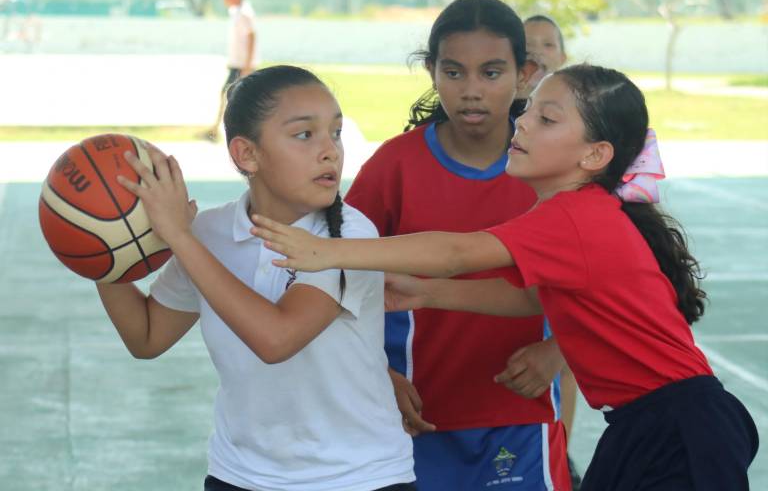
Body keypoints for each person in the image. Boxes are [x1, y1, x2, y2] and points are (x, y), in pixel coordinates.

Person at [251, 63, 759, 490]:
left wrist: (326, 251)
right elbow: (536, 300)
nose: (523, 123)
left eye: (546, 118)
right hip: (652, 421)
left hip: (678, 424)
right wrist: (428, 293)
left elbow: (455, 251)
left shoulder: (574, 217)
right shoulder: (574, 213)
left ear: (594, 155)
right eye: (528, 109)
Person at [97, 65, 415, 491]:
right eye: (305, 134)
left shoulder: (349, 234)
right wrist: (103, 247)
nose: (330, 151)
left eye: (336, 133)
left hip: (359, 476)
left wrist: (179, 236)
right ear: (246, 154)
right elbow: (147, 337)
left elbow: (276, 339)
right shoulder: (209, 233)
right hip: (241, 475)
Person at [345, 0, 572, 490]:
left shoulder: (555, 170)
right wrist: (376, 373)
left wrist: (560, 349)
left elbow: (606, 280)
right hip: (409, 418)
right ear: (431, 71)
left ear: (524, 74)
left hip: (520, 419)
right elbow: (339, 280)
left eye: (491, 73)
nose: (471, 91)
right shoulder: (393, 167)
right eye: (453, 72)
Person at [519, 13, 581, 488]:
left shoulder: (589, 130)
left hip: (563, 304)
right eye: (527, 45)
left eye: (548, 43)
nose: (538, 52)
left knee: (567, 359)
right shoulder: (507, 132)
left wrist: (559, 347)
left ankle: (564, 451)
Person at [202, 0, 259, 142]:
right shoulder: (236, 12)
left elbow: (251, 37)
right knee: (233, 97)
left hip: (242, 66)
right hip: (237, 64)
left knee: (232, 96)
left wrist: (247, 66)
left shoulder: (244, 13)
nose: (225, 0)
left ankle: (218, 131)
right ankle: (217, 130)